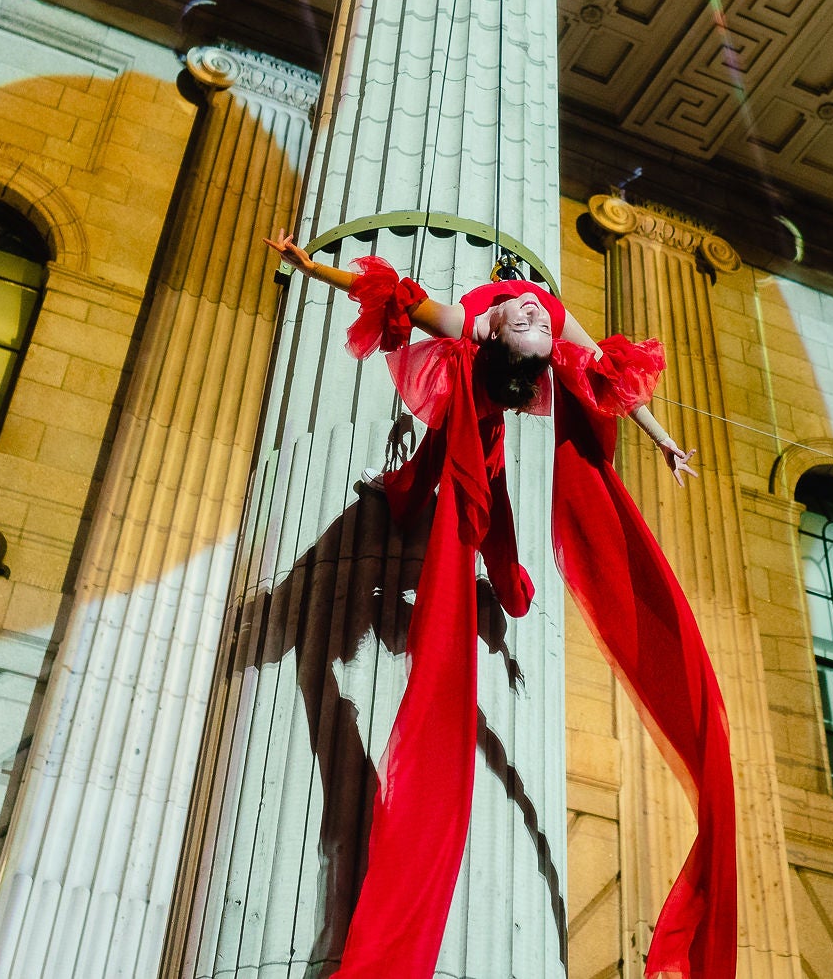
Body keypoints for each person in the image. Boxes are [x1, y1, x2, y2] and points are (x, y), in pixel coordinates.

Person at [267, 233, 738, 979]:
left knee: (472, 489)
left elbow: (609, 383)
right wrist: (311, 266)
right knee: (465, 480)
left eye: (537, 323)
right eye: (534, 322)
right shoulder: (498, 327)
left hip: (477, 416)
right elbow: (403, 303)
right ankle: (458, 529)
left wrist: (665, 442)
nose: (537, 316)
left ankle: (475, 543)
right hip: (471, 414)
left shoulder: (482, 325)